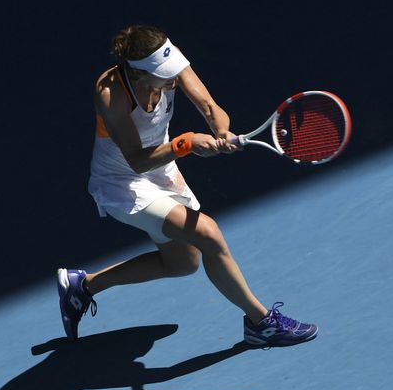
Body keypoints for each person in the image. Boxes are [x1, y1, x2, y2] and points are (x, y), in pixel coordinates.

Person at [57, 24, 317, 347]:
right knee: (207, 233)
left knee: (183, 262)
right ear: (139, 74)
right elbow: (137, 160)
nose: (174, 76)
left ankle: (82, 286)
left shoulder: (172, 71)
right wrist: (188, 143)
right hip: (122, 182)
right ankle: (260, 322)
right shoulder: (110, 93)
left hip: (161, 169)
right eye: (164, 73)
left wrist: (221, 132)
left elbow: (209, 107)